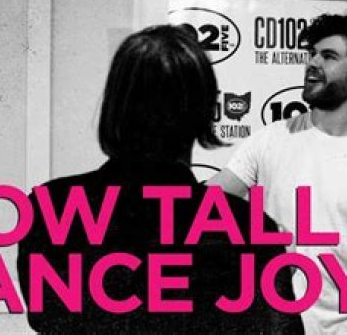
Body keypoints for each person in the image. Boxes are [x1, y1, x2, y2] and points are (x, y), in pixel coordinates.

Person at [17, 25, 303, 334]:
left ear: (115, 104)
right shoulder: (247, 230)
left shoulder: (51, 207)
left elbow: (45, 317)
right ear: (206, 110)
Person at [209, 14, 347, 334]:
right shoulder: (270, 139)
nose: (313, 62)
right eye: (312, 54)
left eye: (329, 56)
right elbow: (202, 204)